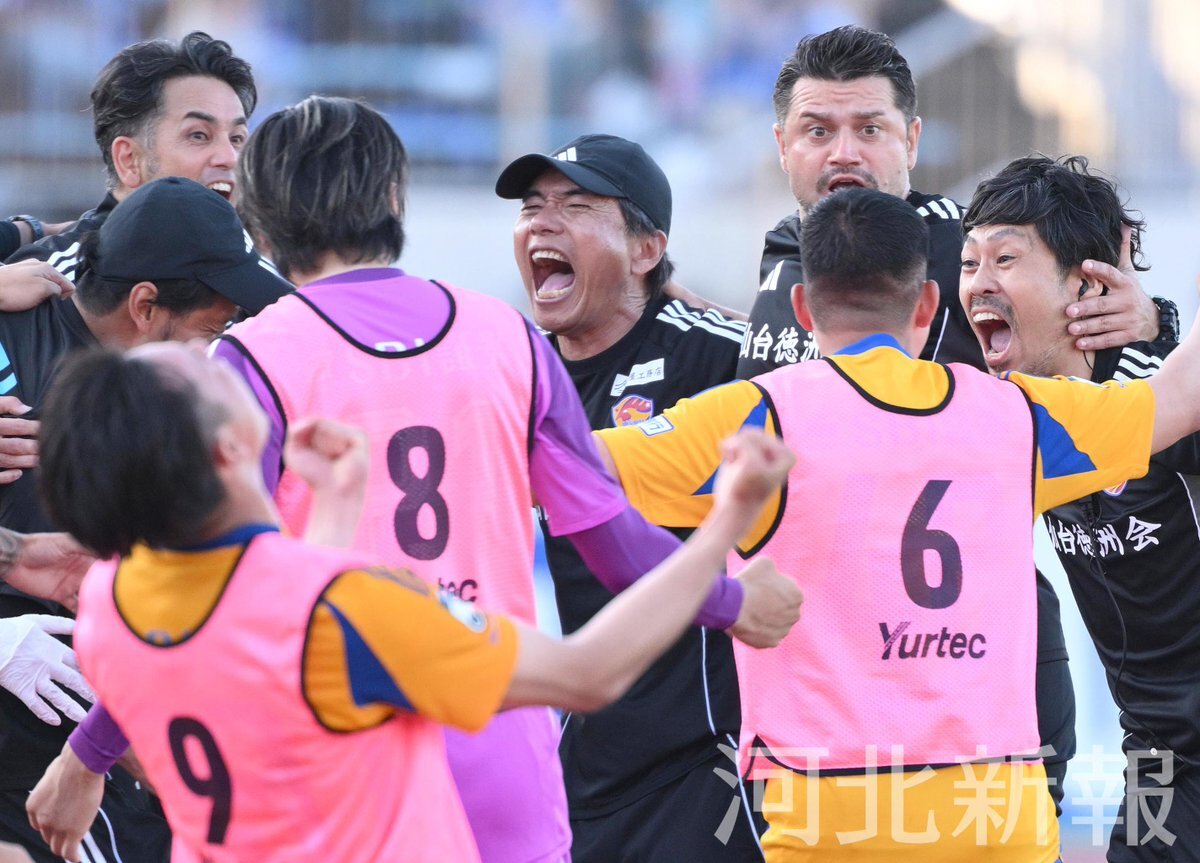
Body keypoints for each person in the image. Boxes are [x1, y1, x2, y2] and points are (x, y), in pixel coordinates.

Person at [37, 95, 801, 863]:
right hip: (499, 727)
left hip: (343, 751)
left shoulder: (248, 360)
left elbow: (197, 590)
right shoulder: (507, 334)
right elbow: (615, 542)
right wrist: (730, 599)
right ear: (395, 200)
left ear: (260, 228)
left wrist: (87, 753)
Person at [591, 187, 1200, 859]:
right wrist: (1156, 318)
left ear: (803, 308)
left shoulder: (753, 417)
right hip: (997, 813)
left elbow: (562, 464)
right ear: (928, 305)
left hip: (830, 816)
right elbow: (1180, 394)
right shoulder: (1016, 416)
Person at [28, 341, 793, 863]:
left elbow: (266, 652)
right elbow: (587, 672)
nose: (214, 353)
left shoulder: (106, 605)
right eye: (206, 373)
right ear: (228, 449)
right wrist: (724, 519)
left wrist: (337, 508)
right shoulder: (351, 610)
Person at [725, 24, 1179, 813]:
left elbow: (1083, 330)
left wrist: (1153, 321)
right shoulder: (786, 256)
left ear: (911, 140)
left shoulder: (958, 251)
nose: (843, 153)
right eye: (818, 130)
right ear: (782, 145)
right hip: (829, 686)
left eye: (870, 129)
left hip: (978, 679)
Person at [0, 176, 290, 861]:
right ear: (145, 305)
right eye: (212, 329)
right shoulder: (15, 338)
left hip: (106, 718)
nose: (221, 348)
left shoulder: (180, 402)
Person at [495, 134, 759, 859]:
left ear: (646, 250)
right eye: (532, 206)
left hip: (705, 757)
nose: (543, 222)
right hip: (579, 749)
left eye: (577, 206)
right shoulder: (516, 369)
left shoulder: (720, 354)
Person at [960, 154, 1200, 861]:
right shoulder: (1012, 417)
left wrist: (1160, 324)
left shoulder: (1165, 402)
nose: (979, 281)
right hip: (1157, 757)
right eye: (970, 263)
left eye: (1005, 258)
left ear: (1087, 284)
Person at [5, 32, 254, 277]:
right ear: (129, 159)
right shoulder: (55, 284)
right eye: (198, 135)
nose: (230, 158)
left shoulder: (262, 267)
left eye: (236, 138)